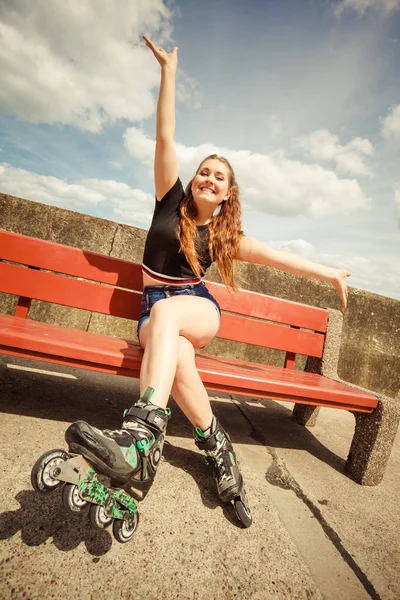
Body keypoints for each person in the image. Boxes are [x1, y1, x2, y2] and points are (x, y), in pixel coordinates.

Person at [65, 36, 350, 527]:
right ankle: (220, 449)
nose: (209, 178)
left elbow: (279, 258)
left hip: (194, 308)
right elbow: (164, 138)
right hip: (154, 312)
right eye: (204, 171)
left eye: (219, 177)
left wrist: (327, 272)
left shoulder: (224, 235)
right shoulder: (166, 201)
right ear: (192, 180)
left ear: (226, 193)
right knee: (177, 361)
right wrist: (169, 73)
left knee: (170, 315)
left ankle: (140, 433)